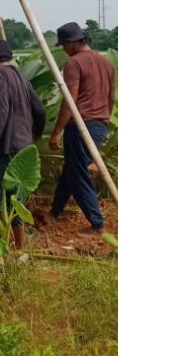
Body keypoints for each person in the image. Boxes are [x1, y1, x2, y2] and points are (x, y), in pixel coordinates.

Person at [48, 22, 116, 232]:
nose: (63, 50)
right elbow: (110, 98)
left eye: (65, 45)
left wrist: (57, 131)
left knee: (78, 175)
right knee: (71, 170)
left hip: (80, 126)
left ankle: (97, 223)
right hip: (99, 125)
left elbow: (70, 100)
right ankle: (54, 212)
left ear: (75, 43)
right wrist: (103, 121)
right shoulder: (106, 63)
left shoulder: (74, 64)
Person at [0, 39, 45, 249]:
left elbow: (1, 110)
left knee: (11, 199)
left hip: (8, 146)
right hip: (23, 143)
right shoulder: (20, 76)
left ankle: (18, 247)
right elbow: (40, 110)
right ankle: (4, 230)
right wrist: (35, 133)